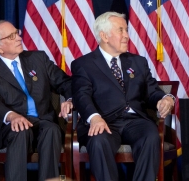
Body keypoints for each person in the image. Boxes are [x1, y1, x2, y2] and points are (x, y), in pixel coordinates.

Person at [71, 12, 175, 181]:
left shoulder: (138, 62)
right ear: (104, 36)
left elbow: (152, 91)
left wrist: (166, 98)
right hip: (104, 121)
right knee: (98, 141)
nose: (127, 35)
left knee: (150, 135)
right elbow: (81, 96)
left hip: (135, 121)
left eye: (126, 30)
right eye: (121, 30)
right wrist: (94, 118)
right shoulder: (84, 64)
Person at [0, 20, 72, 181]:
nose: (18, 38)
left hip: (43, 121)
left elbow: (65, 82)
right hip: (12, 126)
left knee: (52, 129)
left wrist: (69, 99)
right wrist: (11, 116)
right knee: (19, 129)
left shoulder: (38, 58)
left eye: (17, 32)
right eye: (11, 36)